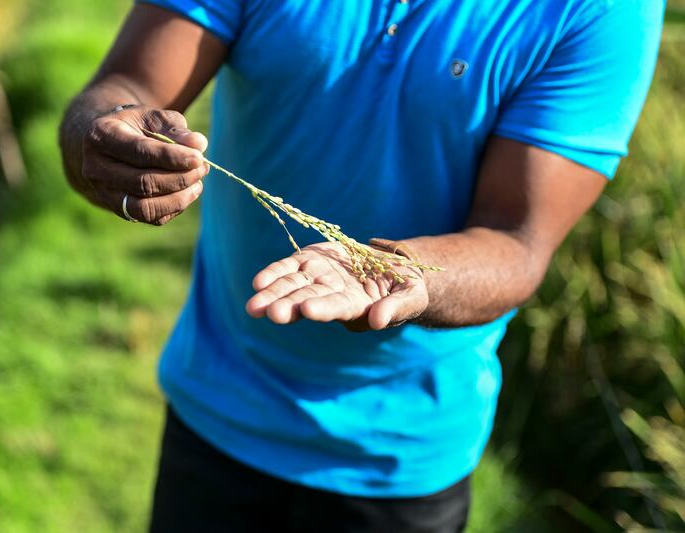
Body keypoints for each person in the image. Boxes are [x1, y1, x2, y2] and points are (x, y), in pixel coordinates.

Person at [59, 1, 664, 531]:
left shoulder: (602, 9)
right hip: (217, 410)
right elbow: (127, 84)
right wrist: (104, 137)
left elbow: (518, 240)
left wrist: (403, 272)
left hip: (402, 458)